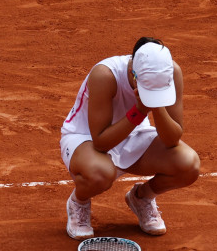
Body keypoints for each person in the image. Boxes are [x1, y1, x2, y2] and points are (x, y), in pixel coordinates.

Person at [60, 37, 200, 239]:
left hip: (134, 133)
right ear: (133, 71)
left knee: (188, 164)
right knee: (100, 173)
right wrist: (140, 110)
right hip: (86, 138)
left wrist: (156, 106)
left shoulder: (172, 73)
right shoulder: (104, 75)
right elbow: (101, 142)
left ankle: (141, 198)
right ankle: (78, 203)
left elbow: (172, 139)